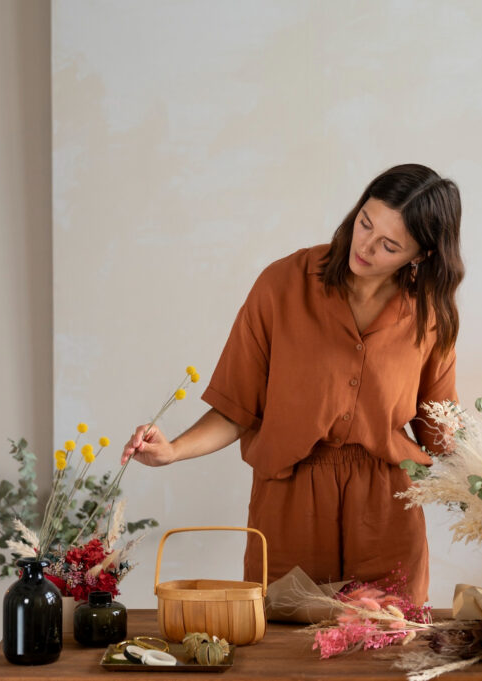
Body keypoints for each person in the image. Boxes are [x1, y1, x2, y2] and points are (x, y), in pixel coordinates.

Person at [122, 163, 464, 604]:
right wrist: (172, 452)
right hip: (288, 507)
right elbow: (236, 407)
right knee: (282, 659)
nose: (365, 246)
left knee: (386, 658)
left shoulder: (430, 315)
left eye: (389, 245)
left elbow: (444, 433)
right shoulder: (281, 286)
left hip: (387, 512)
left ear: (420, 255)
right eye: (365, 223)